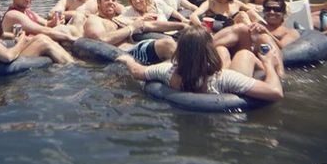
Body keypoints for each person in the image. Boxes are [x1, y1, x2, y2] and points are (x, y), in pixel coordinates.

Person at [116, 26, 284, 102]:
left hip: (197, 79)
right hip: (220, 86)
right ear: (208, 51)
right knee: (246, 54)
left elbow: (138, 72)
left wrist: (128, 60)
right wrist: (269, 64)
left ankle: (230, 54)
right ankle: (271, 67)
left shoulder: (167, 71)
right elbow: (275, 92)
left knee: (224, 52)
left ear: (179, 51)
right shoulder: (224, 79)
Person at [83, 0, 177, 65]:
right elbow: (102, 40)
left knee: (177, 42)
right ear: (99, 2)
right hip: (126, 53)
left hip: (136, 47)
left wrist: (182, 26)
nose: (111, 2)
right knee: (168, 45)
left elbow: (152, 25)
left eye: (113, 0)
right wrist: (131, 27)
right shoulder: (94, 19)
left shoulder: (118, 19)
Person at [213, 0, 300, 76]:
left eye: (277, 9)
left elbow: (282, 46)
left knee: (264, 38)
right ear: (264, 12)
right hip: (243, 50)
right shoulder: (258, 24)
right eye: (268, 9)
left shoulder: (290, 32)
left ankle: (280, 74)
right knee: (224, 46)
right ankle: (206, 48)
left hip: (261, 58)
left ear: (284, 13)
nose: (272, 12)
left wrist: (266, 32)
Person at [1, 0, 80, 56]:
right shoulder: (13, 15)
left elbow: (46, 24)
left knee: (72, 25)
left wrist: (55, 21)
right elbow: (43, 30)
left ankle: (81, 48)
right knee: (62, 30)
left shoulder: (28, 12)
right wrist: (71, 38)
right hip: (22, 51)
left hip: (33, 45)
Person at [122, 0, 190, 29]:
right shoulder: (129, 11)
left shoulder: (158, 3)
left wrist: (183, 19)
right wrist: (142, 18)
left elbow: (171, 11)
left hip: (169, 33)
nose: (137, 1)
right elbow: (119, 20)